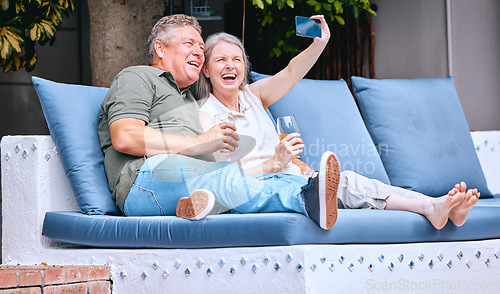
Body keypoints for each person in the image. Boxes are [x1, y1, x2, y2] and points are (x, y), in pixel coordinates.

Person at [196, 17, 480, 230]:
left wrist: (319, 43)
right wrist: (273, 163)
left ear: (245, 67)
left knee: (353, 181)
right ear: (206, 70)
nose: (230, 65)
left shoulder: (254, 96)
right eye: (220, 60)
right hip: (260, 188)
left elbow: (292, 72)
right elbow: (226, 178)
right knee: (343, 185)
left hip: (290, 175)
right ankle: (432, 206)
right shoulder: (205, 115)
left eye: (236, 59)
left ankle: (436, 206)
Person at [97, 14, 340, 231]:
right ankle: (305, 200)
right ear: (160, 48)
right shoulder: (138, 76)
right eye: (189, 43)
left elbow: (286, 75)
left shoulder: (191, 98)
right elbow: (125, 137)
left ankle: (194, 205)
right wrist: (200, 142)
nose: (198, 52)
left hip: (189, 181)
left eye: (201, 47)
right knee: (226, 177)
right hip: (144, 180)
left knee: (281, 177)